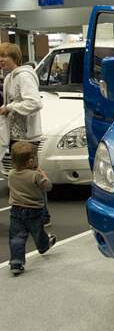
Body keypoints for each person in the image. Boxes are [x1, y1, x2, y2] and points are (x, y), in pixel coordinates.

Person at [0, 43, 50, 226]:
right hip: (15, 136)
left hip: (28, 137)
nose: (1, 60)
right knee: (21, 178)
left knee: (33, 177)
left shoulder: (24, 76)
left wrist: (10, 107)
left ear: (14, 57)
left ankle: (43, 216)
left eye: (4, 56)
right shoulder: (9, 77)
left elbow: (34, 103)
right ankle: (28, 216)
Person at [7, 141, 55, 275]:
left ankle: (16, 262)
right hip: (34, 210)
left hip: (16, 210)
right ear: (30, 161)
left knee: (17, 237)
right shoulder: (36, 175)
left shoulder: (11, 174)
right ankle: (43, 246)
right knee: (38, 231)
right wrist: (44, 176)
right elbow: (48, 187)